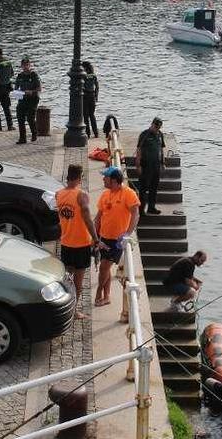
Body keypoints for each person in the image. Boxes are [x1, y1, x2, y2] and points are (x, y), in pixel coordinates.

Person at [57, 164, 104, 319]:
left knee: (67, 278)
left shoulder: (59, 194)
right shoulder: (81, 195)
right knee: (78, 282)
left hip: (66, 243)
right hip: (81, 244)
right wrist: (96, 239)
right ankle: (74, 311)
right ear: (80, 177)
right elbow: (87, 219)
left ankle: (63, 307)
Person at [93, 166, 140, 307]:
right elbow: (98, 217)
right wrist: (95, 238)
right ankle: (106, 296)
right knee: (105, 268)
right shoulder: (105, 194)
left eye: (105, 177)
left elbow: (135, 214)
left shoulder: (128, 193)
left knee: (104, 267)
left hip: (117, 240)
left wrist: (127, 234)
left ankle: (98, 292)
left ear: (113, 180)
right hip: (103, 237)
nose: (102, 179)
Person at [135, 117, 166, 215]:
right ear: (152, 124)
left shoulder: (160, 135)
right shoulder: (145, 134)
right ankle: (141, 209)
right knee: (143, 189)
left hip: (156, 165)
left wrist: (163, 163)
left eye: (159, 127)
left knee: (154, 187)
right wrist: (138, 165)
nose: (157, 128)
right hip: (146, 166)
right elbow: (139, 150)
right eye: (156, 126)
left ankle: (151, 207)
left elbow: (161, 150)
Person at [14, 56, 42, 144]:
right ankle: (22, 138)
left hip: (32, 99)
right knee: (20, 117)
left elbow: (39, 88)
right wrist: (17, 92)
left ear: (29, 65)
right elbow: (16, 88)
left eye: (27, 65)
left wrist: (31, 91)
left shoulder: (33, 75)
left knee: (30, 117)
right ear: (21, 66)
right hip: (22, 98)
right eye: (23, 65)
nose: (25, 67)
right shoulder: (20, 76)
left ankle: (34, 133)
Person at [81, 61, 99, 138]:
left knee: (85, 116)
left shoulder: (84, 76)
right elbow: (97, 87)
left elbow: (82, 86)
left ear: (85, 68)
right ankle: (96, 133)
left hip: (85, 96)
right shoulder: (93, 76)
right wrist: (96, 96)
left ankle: (87, 133)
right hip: (92, 96)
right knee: (92, 115)